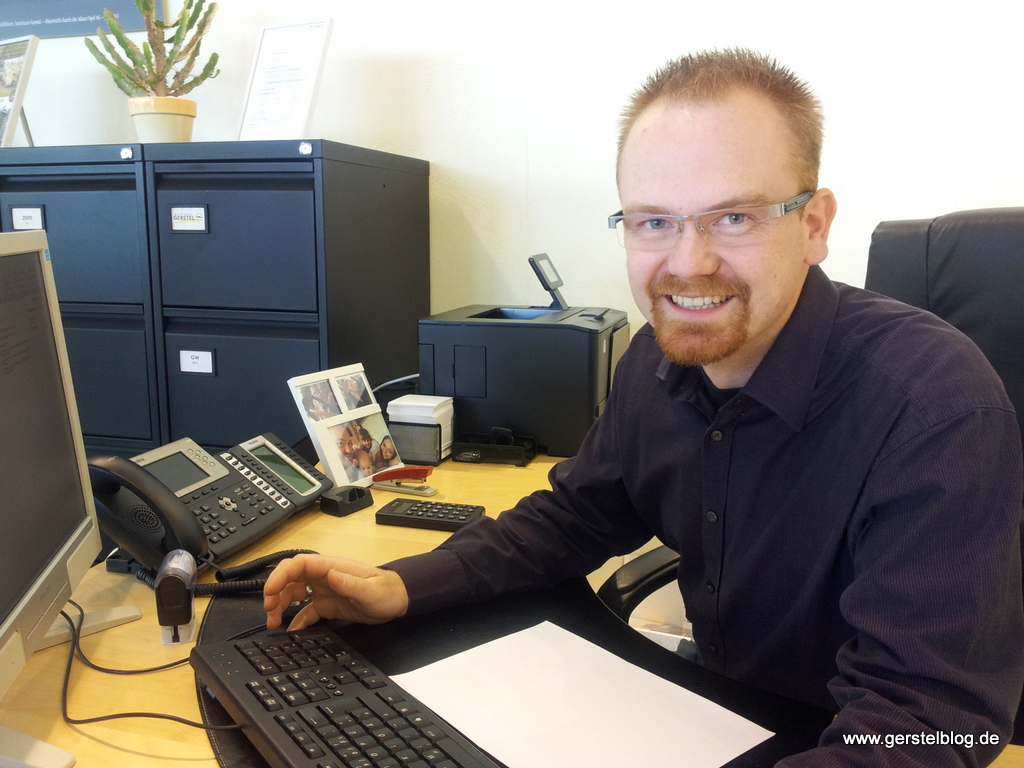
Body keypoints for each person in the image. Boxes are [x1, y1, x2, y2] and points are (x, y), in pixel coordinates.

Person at [264, 49, 1024, 766]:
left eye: (734, 217)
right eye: (654, 221)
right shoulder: (655, 359)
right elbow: (575, 517)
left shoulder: (934, 405)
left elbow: (929, 721)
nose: (688, 263)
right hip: (710, 715)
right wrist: (406, 585)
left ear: (814, 226)